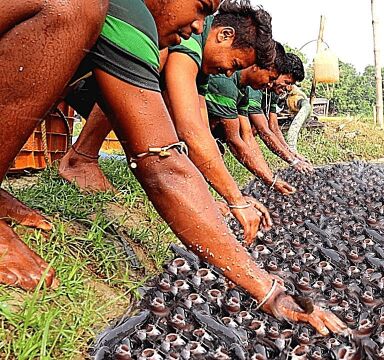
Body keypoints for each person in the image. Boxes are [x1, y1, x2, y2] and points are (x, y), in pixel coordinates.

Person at [1, 0, 346, 336]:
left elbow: (167, 158)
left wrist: (268, 290)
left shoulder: (139, 25)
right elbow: (181, 147)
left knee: (131, 72)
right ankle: (81, 158)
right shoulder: (148, 26)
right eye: (201, 8)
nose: (198, 26)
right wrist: (237, 203)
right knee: (75, 7)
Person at [59, 1, 276, 243]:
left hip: (105, 87)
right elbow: (190, 130)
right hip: (87, 78)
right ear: (224, 35)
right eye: (234, 65)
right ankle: (83, 157)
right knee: (157, 57)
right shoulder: (191, 44)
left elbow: (200, 129)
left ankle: (83, 158)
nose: (228, 74)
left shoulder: (202, 67)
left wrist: (208, 194)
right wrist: (237, 201)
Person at [205, 43, 298, 195]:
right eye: (270, 78)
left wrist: (270, 178)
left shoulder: (244, 91)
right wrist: (268, 180)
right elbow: (234, 141)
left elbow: (247, 135)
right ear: (256, 67)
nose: (270, 84)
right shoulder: (226, 85)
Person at [245, 53, 313, 171]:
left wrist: (292, 153)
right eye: (287, 82)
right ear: (278, 71)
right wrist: (292, 161)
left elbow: (274, 127)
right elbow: (264, 131)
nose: (288, 88)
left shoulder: (273, 93)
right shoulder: (256, 87)